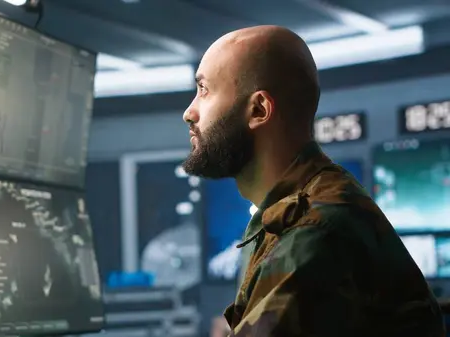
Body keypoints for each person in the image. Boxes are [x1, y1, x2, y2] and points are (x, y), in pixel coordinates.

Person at [181, 25, 444, 337]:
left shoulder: (314, 234)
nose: (189, 112)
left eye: (204, 90)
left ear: (259, 110)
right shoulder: (298, 211)